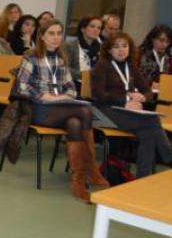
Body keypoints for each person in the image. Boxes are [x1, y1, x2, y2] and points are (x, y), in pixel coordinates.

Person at [16, 19, 108, 202]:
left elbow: (71, 87)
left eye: (59, 33)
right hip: (40, 109)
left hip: (62, 108)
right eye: (51, 33)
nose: (56, 37)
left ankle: (78, 180)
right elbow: (21, 87)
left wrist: (65, 96)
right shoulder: (31, 56)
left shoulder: (61, 58)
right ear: (42, 36)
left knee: (74, 124)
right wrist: (44, 96)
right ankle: (91, 169)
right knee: (85, 112)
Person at [91, 32, 172, 178]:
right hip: (104, 112)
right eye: (116, 47)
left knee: (147, 135)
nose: (121, 50)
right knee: (152, 120)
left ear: (129, 48)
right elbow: (98, 95)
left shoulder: (131, 66)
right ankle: (168, 155)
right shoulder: (102, 65)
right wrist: (125, 100)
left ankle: (142, 178)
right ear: (109, 50)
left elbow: (148, 91)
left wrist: (142, 97)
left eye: (124, 46)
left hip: (125, 113)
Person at [65, 16, 103, 83]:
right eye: (92, 26)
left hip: (94, 85)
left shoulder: (102, 48)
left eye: (99, 28)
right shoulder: (71, 45)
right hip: (74, 83)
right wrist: (84, 75)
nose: (96, 30)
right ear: (83, 29)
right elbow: (65, 68)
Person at [138, 24, 172, 89]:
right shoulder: (139, 54)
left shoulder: (169, 59)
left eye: (168, 42)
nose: (164, 45)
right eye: (161, 40)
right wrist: (150, 84)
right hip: (142, 93)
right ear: (152, 39)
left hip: (164, 95)